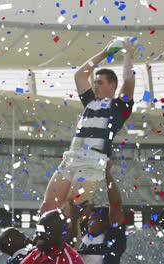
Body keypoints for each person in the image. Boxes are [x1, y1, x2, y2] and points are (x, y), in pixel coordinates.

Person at [40, 37, 136, 215]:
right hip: (70, 159)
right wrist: (104, 53)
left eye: (100, 82)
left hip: (92, 164)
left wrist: (128, 55)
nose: (95, 86)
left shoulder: (119, 107)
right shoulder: (90, 101)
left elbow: (129, 81)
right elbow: (80, 75)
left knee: (69, 211)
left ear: (112, 86)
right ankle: (39, 242)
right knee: (47, 209)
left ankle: (67, 243)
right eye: (95, 82)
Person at [74, 161, 127, 263]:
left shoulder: (113, 239)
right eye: (90, 219)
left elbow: (115, 204)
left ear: (106, 222)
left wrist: (107, 174)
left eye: (93, 219)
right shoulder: (82, 235)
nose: (89, 221)